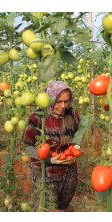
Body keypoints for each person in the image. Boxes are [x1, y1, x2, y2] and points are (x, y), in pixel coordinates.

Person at [22, 81, 81, 211]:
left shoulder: (72, 114)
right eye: (58, 101)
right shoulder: (37, 118)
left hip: (68, 170)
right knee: (46, 207)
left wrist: (76, 146)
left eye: (66, 101)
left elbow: (78, 133)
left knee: (62, 205)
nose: (63, 106)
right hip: (45, 172)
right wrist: (49, 159)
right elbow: (27, 146)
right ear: (50, 98)